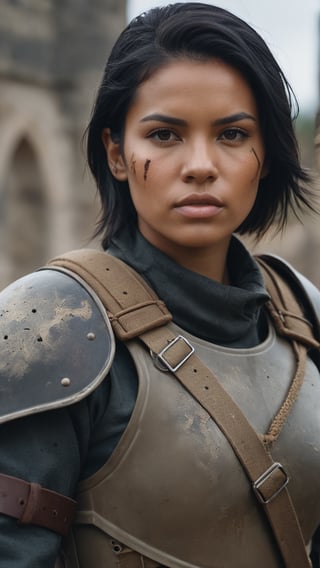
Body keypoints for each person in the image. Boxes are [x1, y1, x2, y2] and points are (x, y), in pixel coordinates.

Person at [0, 2, 319, 567]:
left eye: (232, 133)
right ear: (117, 154)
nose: (200, 164)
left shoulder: (306, 316)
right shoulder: (50, 330)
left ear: (265, 155)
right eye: (166, 134)